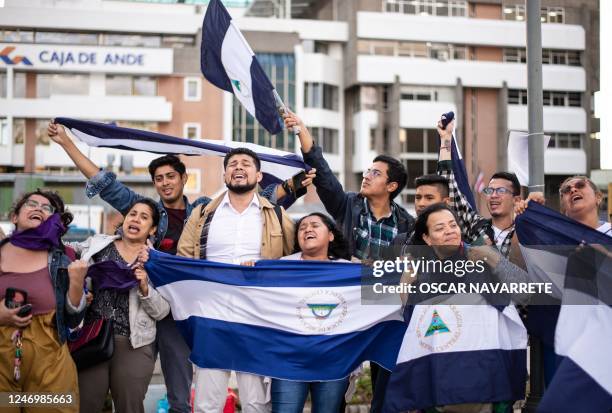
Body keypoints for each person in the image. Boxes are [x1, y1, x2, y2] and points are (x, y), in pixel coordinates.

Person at [48, 121, 312, 413]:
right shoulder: (145, 208)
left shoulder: (202, 208)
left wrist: (291, 185)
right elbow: (104, 183)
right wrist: (67, 143)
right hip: (141, 306)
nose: (165, 182)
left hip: (186, 309)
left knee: (184, 391)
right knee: (135, 393)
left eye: (171, 176)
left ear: (184, 178)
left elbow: (255, 198)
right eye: (159, 178)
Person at [283, 111, 415, 413]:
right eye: (368, 170)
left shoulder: (408, 224)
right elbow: (325, 176)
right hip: (345, 305)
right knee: (336, 383)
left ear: (392, 186)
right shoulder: (348, 206)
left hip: (385, 309)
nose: (367, 175)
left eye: (376, 173)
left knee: (386, 381)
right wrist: (302, 131)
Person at [177, 147, 295, 413]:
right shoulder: (203, 214)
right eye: (232, 164)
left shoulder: (277, 215)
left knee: (256, 401)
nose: (238, 167)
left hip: (258, 315)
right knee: (208, 400)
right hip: (211, 313)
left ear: (259, 174)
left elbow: (295, 260)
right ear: (225, 174)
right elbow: (184, 257)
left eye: (245, 163)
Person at [388, 203, 529, 413]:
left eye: (452, 225)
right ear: (426, 238)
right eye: (439, 228)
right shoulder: (419, 273)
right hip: (439, 385)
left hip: (486, 379)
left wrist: (494, 258)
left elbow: (526, 293)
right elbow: (413, 328)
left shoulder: (482, 258)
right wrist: (405, 286)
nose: (449, 231)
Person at [69, 198, 170, 413]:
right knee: (85, 405)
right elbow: (66, 253)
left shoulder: (157, 262)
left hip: (134, 343)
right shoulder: (98, 244)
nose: (136, 219)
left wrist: (145, 287)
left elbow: (162, 311)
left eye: (144, 217)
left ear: (152, 229)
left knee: (129, 407)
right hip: (92, 338)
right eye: (133, 214)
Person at [0, 190, 87, 411]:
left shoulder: (63, 258)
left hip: (50, 368)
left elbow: (72, 318)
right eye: (31, 204)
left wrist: (77, 283)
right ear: (14, 217)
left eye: (46, 207)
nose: (38, 208)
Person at [270, 212, 350, 413]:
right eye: (303, 228)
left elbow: (384, 300)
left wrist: (402, 276)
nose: (307, 230)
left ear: (331, 235)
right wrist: (249, 272)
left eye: (314, 225)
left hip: (334, 361)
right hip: (289, 361)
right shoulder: (281, 268)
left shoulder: (349, 271)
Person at [436, 117, 523, 257]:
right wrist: (446, 139)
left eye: (501, 190)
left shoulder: (527, 233)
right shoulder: (476, 227)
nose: (493, 195)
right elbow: (448, 185)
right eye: (490, 190)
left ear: (516, 199)